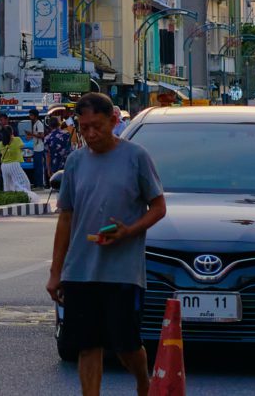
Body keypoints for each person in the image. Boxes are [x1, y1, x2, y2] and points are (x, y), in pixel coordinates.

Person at [46, 92, 166, 396]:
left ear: (113, 120)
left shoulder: (136, 157)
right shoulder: (75, 162)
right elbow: (66, 218)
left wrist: (129, 231)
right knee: (87, 345)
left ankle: (142, 380)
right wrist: (56, 271)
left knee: (125, 345)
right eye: (83, 127)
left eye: (96, 126)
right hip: (80, 270)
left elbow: (158, 207)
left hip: (122, 271)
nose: (90, 134)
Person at [1, 126, 32, 195]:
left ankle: (9, 200)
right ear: (11, 133)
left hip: (4, 166)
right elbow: (23, 146)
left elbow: (1, 151)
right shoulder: (17, 140)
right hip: (14, 164)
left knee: (8, 186)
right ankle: (25, 198)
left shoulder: (0, 144)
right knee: (24, 183)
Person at [45, 115, 73, 181]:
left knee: (58, 184)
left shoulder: (47, 138)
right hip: (68, 163)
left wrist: (48, 169)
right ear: (58, 124)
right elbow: (71, 148)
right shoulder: (67, 134)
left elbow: (48, 155)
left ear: (49, 126)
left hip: (55, 165)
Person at [28, 107, 47, 187]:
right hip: (36, 148)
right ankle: (37, 183)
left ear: (35, 116)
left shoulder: (39, 124)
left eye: (31, 115)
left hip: (39, 148)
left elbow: (42, 135)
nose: (30, 117)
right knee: (36, 167)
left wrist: (32, 134)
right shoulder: (35, 124)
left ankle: (40, 184)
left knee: (39, 167)